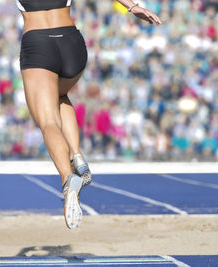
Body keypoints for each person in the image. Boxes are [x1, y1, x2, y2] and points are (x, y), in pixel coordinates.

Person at [16, 0, 162, 229]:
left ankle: (67, 178)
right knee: (59, 95)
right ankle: (76, 154)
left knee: (48, 122)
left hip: (38, 45)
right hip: (71, 44)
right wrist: (132, 7)